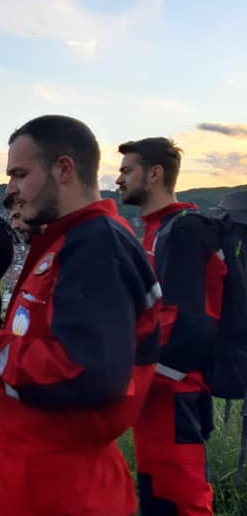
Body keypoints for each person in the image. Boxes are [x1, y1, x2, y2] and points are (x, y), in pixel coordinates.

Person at [0, 115, 162, 516]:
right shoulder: (65, 242)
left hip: (72, 494)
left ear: (64, 169)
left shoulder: (96, 245)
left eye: (19, 173)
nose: (10, 189)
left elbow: (86, 372)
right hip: (39, 484)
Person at [117, 137, 223, 515]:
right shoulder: (157, 230)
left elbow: (190, 324)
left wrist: (134, 373)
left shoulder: (182, 231)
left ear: (154, 174)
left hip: (176, 393)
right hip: (159, 393)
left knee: (183, 498)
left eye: (127, 170)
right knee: (158, 495)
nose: (118, 180)